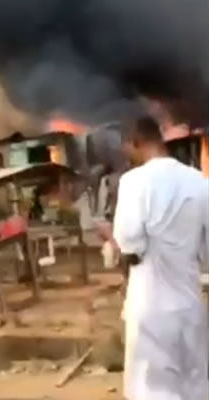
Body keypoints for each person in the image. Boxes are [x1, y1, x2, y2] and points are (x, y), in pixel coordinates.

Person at [112, 116, 209, 400]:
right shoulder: (200, 182)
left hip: (151, 308)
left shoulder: (133, 182)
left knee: (151, 390)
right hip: (189, 307)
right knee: (195, 384)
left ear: (135, 142)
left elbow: (129, 242)